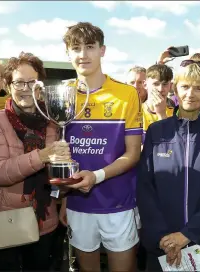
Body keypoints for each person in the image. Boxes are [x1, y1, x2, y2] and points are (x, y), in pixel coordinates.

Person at [137, 60, 200, 272]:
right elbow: (145, 187)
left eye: (198, 88)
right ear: (175, 89)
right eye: (185, 86)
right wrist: (163, 238)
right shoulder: (157, 131)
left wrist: (187, 235)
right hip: (160, 246)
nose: (190, 93)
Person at [58, 22, 143, 272]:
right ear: (68, 53)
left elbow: (133, 153)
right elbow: (61, 154)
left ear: (102, 50)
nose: (83, 54)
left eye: (90, 47)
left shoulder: (126, 94)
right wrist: (63, 197)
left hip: (118, 203)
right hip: (78, 204)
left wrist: (96, 177)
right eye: (76, 48)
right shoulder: (63, 94)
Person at [0, 52, 70, 271]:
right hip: (6, 221)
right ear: (8, 85)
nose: (26, 88)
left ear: (41, 86)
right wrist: (43, 155)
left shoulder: (53, 121)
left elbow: (57, 173)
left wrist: (66, 196)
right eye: (19, 82)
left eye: (32, 82)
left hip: (44, 219)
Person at [142, 64, 175, 139]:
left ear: (170, 86)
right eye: (156, 84)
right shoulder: (136, 111)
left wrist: (162, 114)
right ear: (145, 85)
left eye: (165, 84)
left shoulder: (176, 113)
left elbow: (171, 144)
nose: (160, 89)